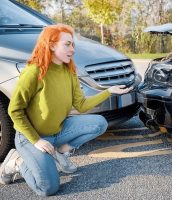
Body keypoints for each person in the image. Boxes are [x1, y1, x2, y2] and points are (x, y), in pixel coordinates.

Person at [0, 24, 133, 196]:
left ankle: (61, 151)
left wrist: (108, 91)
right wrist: (36, 140)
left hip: (58, 131)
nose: (73, 49)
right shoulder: (34, 72)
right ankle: (17, 162)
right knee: (48, 189)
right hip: (31, 138)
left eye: (73, 44)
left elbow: (81, 105)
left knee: (99, 123)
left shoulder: (69, 71)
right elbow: (15, 110)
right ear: (52, 45)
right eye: (68, 44)